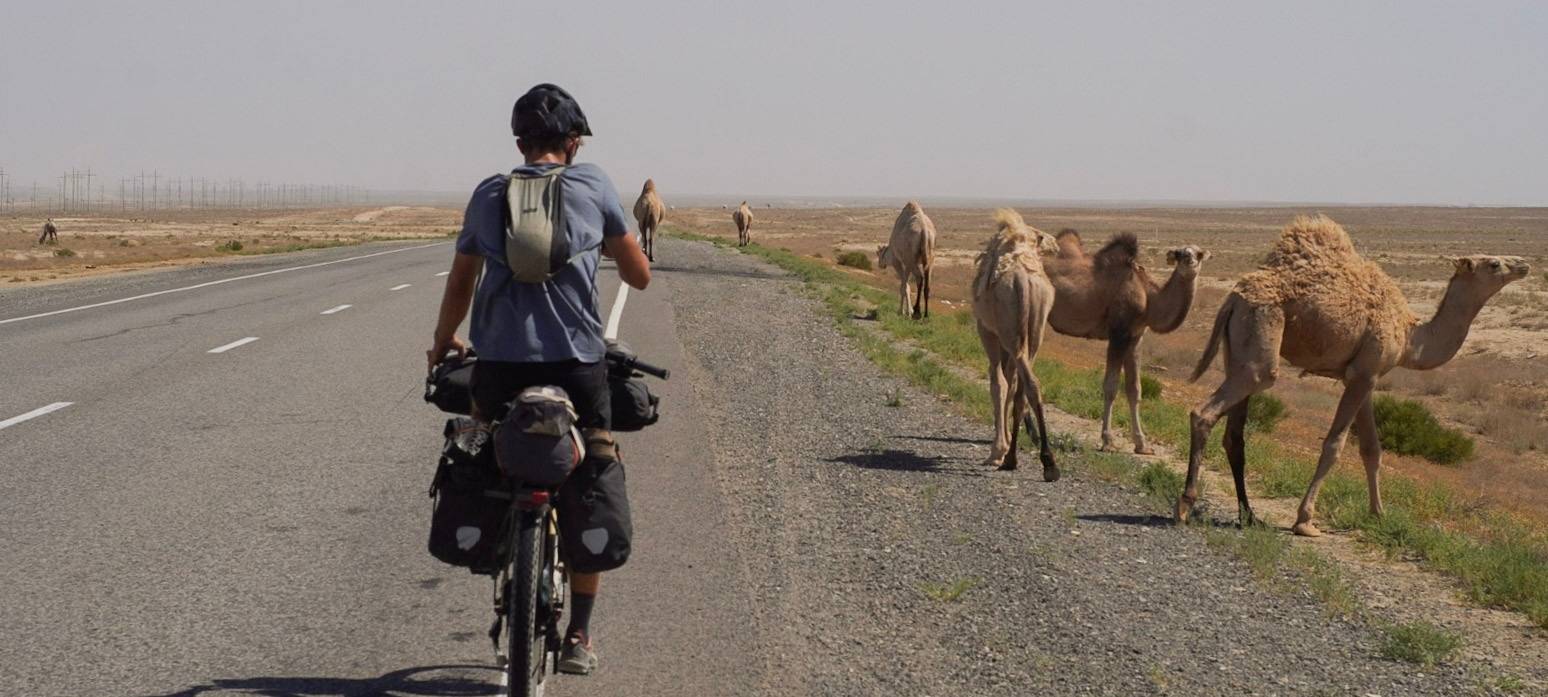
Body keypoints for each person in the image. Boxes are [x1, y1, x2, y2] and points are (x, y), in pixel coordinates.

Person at [427, 83, 651, 675]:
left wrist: (441, 341)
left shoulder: (489, 193)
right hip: (576, 365)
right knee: (591, 471)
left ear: (521, 142)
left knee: (481, 450)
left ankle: (495, 535)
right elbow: (640, 276)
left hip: (499, 366)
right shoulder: (594, 184)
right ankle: (578, 634)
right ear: (573, 143)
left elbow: (460, 283)